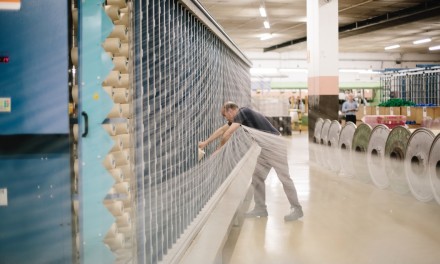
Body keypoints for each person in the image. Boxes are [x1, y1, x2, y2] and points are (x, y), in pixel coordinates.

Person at [199, 102, 303, 221]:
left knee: (284, 178)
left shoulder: (243, 112)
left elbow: (228, 133)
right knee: (257, 178)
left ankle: (297, 208)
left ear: (230, 111)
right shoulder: (241, 116)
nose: (225, 118)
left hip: (275, 147)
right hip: (266, 149)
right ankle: (260, 208)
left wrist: (218, 150)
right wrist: (205, 143)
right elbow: (222, 130)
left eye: (224, 115)